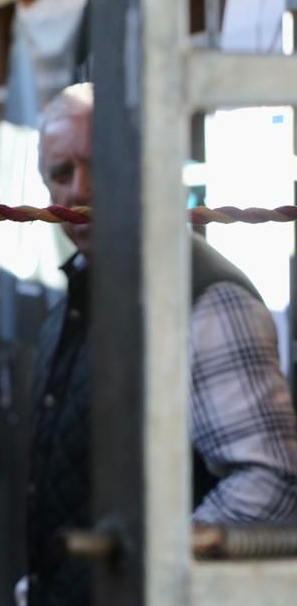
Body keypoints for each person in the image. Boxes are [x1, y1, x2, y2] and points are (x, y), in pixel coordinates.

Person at [24, 83, 297, 606]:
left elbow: (271, 484)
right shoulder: (80, 294)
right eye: (62, 173)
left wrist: (146, 576)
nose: (80, 190)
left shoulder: (202, 297)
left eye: (100, 164)